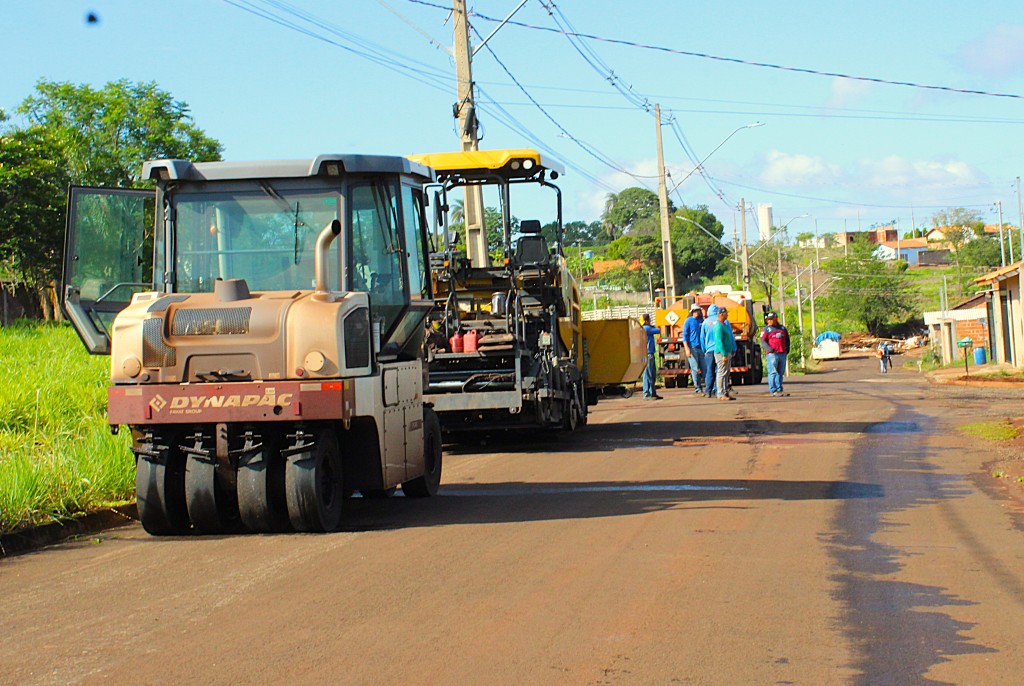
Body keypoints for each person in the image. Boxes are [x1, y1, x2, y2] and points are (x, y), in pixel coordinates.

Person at [759, 312, 790, 397]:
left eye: (771, 319)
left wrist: (787, 349)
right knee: (772, 372)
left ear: (776, 318)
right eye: (768, 319)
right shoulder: (766, 330)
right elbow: (763, 341)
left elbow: (787, 339)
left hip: (782, 353)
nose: (769, 321)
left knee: (780, 372)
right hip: (772, 354)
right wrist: (769, 349)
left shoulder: (783, 328)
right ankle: (773, 389)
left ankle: (779, 388)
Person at [711, 306, 737, 401]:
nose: (727, 314)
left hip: (727, 351)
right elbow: (718, 341)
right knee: (721, 373)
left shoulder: (724, 325)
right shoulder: (718, 326)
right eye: (726, 313)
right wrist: (724, 354)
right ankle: (720, 393)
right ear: (721, 314)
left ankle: (725, 391)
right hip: (721, 353)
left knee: (726, 373)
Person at [682, 303, 705, 394]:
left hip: (702, 348)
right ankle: (698, 388)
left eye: (698, 310)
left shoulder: (702, 321)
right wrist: (687, 349)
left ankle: (708, 387)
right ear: (692, 312)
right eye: (695, 311)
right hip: (692, 348)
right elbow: (685, 336)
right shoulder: (688, 321)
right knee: (695, 369)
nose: (696, 312)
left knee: (705, 368)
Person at [641, 313, 662, 399]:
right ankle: (647, 393)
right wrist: (653, 326)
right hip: (648, 354)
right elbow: (658, 330)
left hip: (648, 354)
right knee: (648, 374)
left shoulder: (643, 328)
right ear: (646, 321)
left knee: (652, 374)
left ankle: (652, 392)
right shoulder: (646, 328)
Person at [700, 304, 720, 398]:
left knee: (710, 371)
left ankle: (708, 391)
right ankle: (719, 391)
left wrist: (705, 349)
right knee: (720, 371)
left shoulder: (705, 322)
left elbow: (702, 338)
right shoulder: (723, 321)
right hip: (720, 350)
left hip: (709, 350)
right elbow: (729, 336)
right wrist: (733, 349)